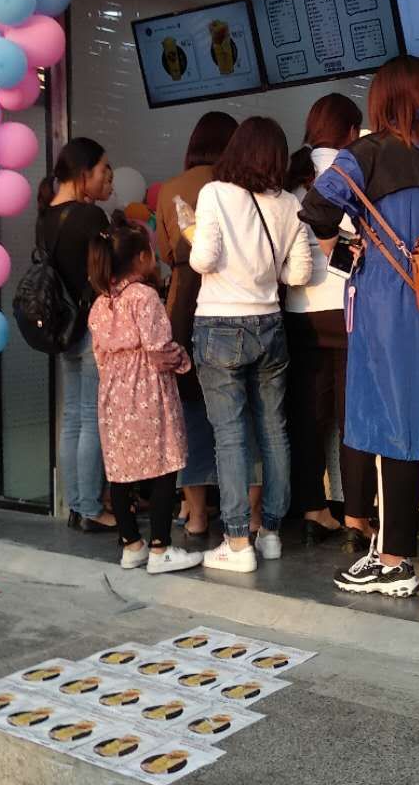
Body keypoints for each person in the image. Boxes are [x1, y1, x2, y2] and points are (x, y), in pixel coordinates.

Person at [301, 57, 419, 597]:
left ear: (381, 100)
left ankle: (393, 561)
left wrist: (350, 247)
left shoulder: (369, 153)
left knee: (394, 428)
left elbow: (317, 207)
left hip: (393, 307)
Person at [190, 117, 313, 573]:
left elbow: (203, 259)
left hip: (220, 322)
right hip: (270, 323)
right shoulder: (289, 204)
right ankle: (272, 533)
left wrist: (192, 238)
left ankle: (238, 542)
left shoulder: (214, 193)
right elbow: (299, 274)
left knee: (230, 435)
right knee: (274, 430)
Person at [87, 217, 203, 575]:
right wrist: (184, 361)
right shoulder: (145, 297)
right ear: (140, 257)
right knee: (163, 463)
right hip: (147, 389)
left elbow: (99, 355)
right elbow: (158, 348)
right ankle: (160, 548)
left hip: (113, 392)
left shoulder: (100, 303)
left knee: (121, 468)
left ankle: (131, 545)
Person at [284, 92, 367, 544]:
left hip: (300, 313)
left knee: (309, 419)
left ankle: (314, 510)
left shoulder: (291, 177)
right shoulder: (356, 171)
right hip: (350, 310)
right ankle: (356, 516)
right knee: (353, 419)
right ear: (352, 131)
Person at [156, 111, 238, 539]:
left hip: (184, 306)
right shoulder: (238, 186)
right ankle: (245, 515)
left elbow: (166, 253)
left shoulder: (171, 188)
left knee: (187, 409)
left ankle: (197, 513)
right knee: (237, 411)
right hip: (233, 303)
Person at [37, 138, 116, 532]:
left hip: (63, 329)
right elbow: (106, 273)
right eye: (103, 170)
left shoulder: (45, 217)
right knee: (92, 417)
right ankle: (91, 510)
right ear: (85, 174)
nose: (107, 178)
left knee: (72, 418)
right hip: (92, 327)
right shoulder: (91, 217)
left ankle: (76, 505)